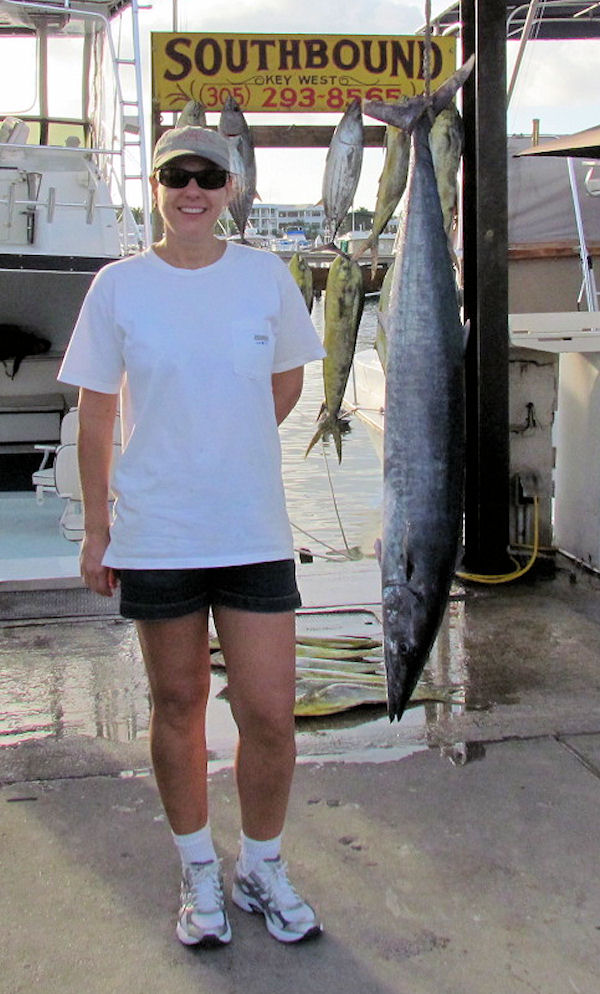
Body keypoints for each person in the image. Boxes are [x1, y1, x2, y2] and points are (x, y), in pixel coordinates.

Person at [58, 125, 326, 947]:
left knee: (270, 714)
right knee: (177, 704)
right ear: (157, 188)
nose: (193, 191)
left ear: (231, 189)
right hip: (157, 534)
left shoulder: (266, 275)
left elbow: (287, 380)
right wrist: (97, 529)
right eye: (177, 175)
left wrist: (226, 444)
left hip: (253, 531)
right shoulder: (117, 286)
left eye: (210, 176)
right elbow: (96, 414)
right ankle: (198, 869)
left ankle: (261, 866)